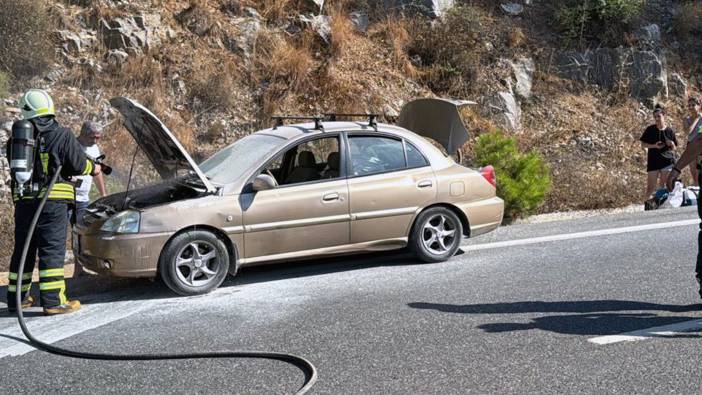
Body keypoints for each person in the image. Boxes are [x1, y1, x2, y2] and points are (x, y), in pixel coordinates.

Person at [5, 89, 100, 315]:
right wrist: (93, 167)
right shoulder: (62, 134)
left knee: (23, 249)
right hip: (53, 203)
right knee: (51, 249)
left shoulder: (18, 140)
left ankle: (17, 299)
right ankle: (53, 301)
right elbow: (77, 165)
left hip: (25, 203)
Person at [71, 121, 107, 225]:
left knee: (81, 230)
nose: (95, 141)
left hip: (83, 200)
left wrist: (103, 194)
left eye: (98, 138)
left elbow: (97, 172)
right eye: (92, 137)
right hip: (69, 198)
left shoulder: (94, 148)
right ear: (83, 134)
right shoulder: (72, 145)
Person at [640, 104, 677, 202]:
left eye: (659, 116)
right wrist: (654, 146)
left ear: (664, 116)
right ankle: (646, 207)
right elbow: (643, 144)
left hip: (667, 161)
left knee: (663, 187)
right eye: (655, 117)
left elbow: (674, 148)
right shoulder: (650, 129)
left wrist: (672, 144)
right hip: (653, 161)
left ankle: (661, 207)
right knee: (650, 188)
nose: (657, 119)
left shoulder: (670, 131)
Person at [683, 96, 702, 186]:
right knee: (692, 169)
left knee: (699, 169)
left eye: (693, 105)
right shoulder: (687, 119)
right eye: (689, 105)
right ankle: (696, 184)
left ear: (699, 106)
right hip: (691, 145)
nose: (691, 107)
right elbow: (688, 132)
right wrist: (696, 119)